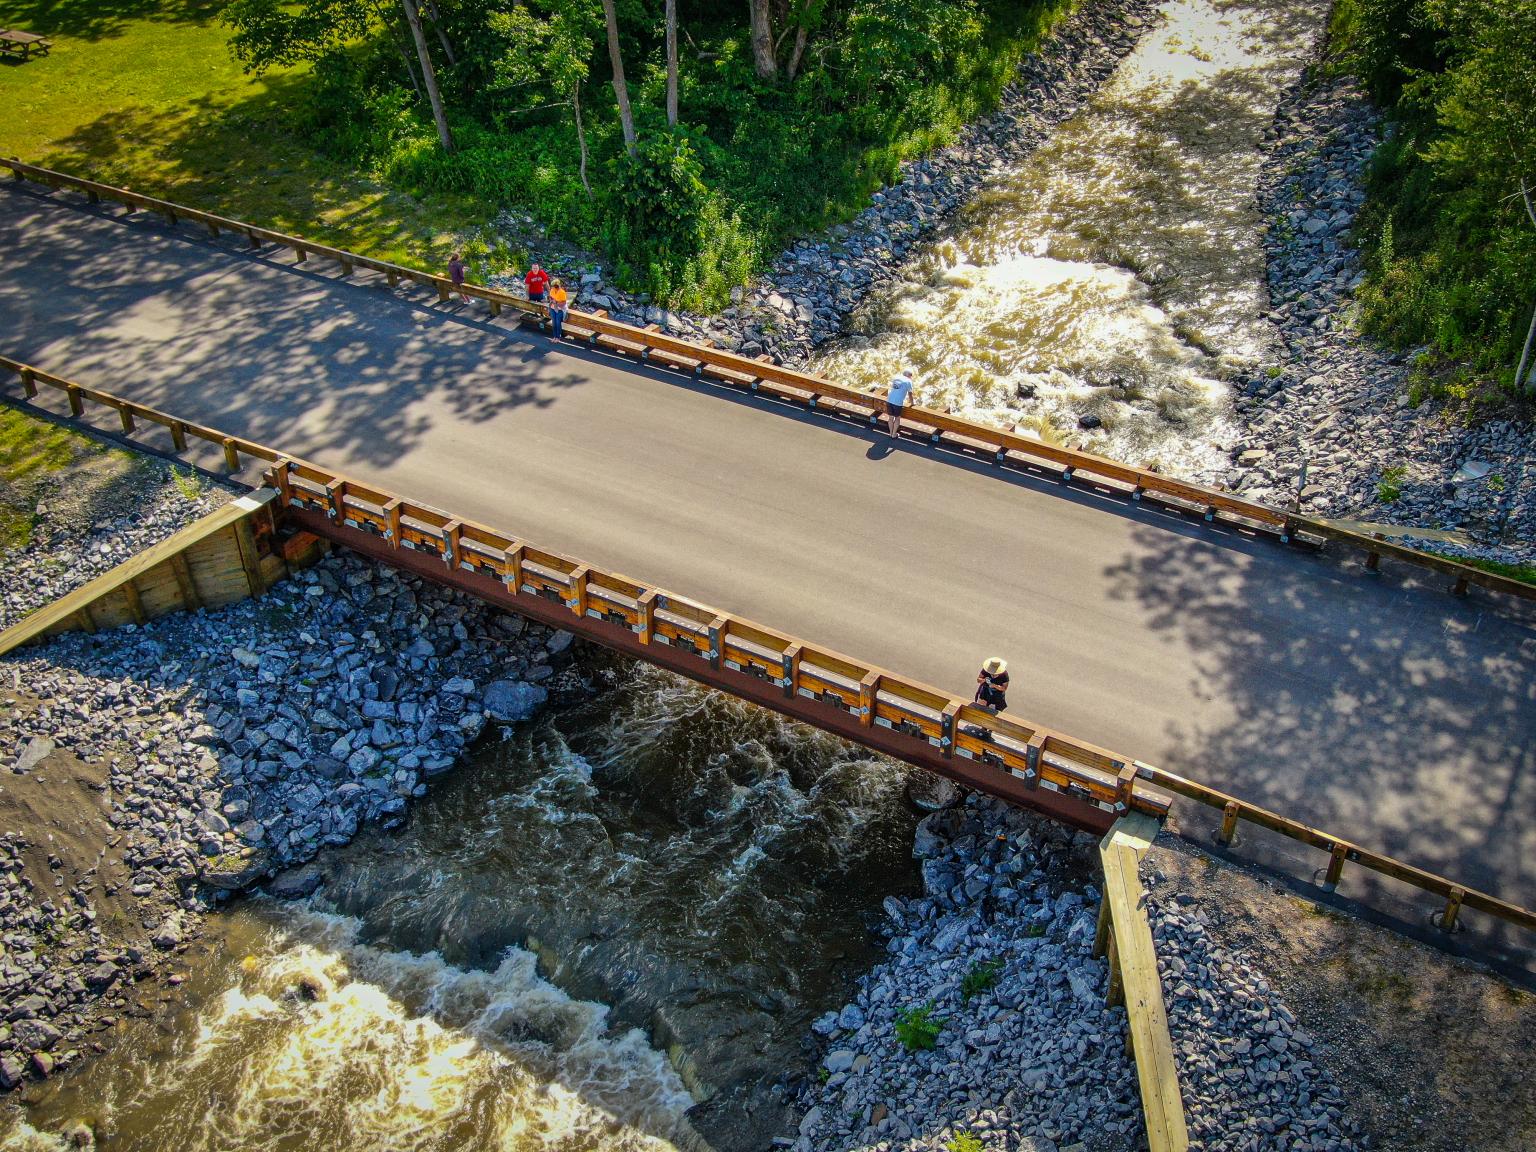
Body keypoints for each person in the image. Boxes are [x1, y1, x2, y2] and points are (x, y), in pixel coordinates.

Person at [885, 370, 915, 438]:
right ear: (909, 375)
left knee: (890, 418)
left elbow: (894, 388)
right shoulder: (909, 381)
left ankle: (890, 433)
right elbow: (910, 394)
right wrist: (912, 403)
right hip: (897, 402)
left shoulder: (896, 377)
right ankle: (894, 434)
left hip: (889, 400)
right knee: (897, 418)